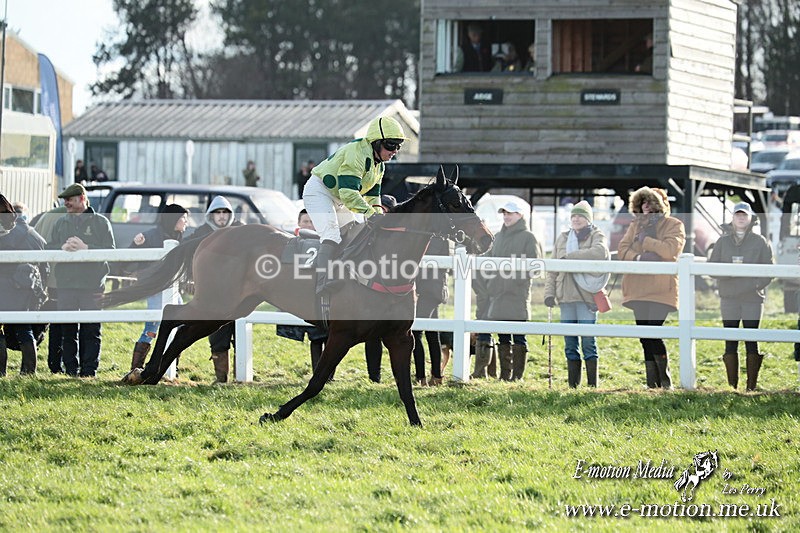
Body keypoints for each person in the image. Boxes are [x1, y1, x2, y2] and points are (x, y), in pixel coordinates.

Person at [302, 115, 406, 297]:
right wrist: (370, 214)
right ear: (376, 142)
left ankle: (344, 275)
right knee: (332, 234)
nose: (394, 150)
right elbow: (349, 193)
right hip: (319, 191)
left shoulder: (379, 166)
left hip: (338, 196)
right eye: (391, 145)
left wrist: (377, 215)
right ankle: (321, 283)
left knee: (354, 233)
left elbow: (373, 197)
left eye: (398, 146)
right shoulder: (356, 153)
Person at [617, 186, 686, 389]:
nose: (646, 206)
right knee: (644, 336)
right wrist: (638, 257)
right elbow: (622, 249)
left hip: (661, 288)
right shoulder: (634, 225)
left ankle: (665, 381)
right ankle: (651, 384)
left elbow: (670, 250)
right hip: (637, 287)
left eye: (650, 202)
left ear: (660, 204)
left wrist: (645, 242)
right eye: (642, 202)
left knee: (654, 331)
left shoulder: (674, 225)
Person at [47, 183, 116, 377]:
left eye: (70, 199)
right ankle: (70, 369)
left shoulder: (101, 222)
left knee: (91, 328)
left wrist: (87, 248)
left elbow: (111, 251)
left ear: (83, 199)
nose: (66, 202)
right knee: (67, 328)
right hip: (66, 284)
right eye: (65, 199)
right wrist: (61, 248)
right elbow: (49, 247)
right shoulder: (60, 222)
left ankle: (89, 370)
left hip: (92, 284)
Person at [473, 201, 542, 381]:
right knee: (503, 336)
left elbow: (535, 267)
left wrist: (514, 280)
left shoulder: (529, 237)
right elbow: (486, 259)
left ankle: (517, 377)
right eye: (504, 213)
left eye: (510, 213)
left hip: (517, 294)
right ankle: (505, 375)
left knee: (518, 336)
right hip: (497, 295)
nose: (506, 216)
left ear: (520, 215)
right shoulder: (498, 237)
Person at [544, 201, 610, 388]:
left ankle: (591, 385)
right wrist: (549, 293)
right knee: (569, 342)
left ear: (588, 218)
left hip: (586, 297)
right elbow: (553, 268)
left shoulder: (597, 235)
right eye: (573, 216)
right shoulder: (563, 238)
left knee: (588, 341)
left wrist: (571, 258)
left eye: (580, 215)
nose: (576, 219)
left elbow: (600, 252)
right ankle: (573, 386)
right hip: (565, 296)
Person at [709, 202, 773, 391]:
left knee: (751, 339)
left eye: (744, 215)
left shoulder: (760, 241)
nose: (741, 217)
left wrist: (754, 285)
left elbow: (769, 270)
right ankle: (732, 387)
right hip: (729, 297)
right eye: (738, 214)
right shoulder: (722, 242)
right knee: (730, 339)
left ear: (751, 218)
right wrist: (729, 276)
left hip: (752, 298)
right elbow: (711, 268)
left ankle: (751, 387)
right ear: (732, 217)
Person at [185, 195, 244, 382]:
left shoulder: (240, 231)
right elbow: (189, 258)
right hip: (212, 293)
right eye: (217, 213)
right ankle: (221, 378)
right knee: (217, 334)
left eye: (224, 213)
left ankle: (240, 375)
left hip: (238, 291)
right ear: (211, 215)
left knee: (240, 331)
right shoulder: (200, 234)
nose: (221, 217)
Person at [127, 204, 189, 370]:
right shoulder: (150, 236)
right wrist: (135, 244)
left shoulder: (178, 235)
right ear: (173, 219)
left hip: (172, 288)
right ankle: (137, 368)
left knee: (182, 324)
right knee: (152, 326)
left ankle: (170, 365)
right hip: (156, 289)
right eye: (183, 218)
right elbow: (128, 259)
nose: (186, 222)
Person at [277, 209, 331, 380]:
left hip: (322, 296)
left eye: (312, 221)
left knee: (327, 337)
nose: (309, 225)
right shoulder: (291, 243)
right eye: (305, 222)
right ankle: (318, 374)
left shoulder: (327, 244)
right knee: (315, 338)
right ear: (299, 223)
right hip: (302, 296)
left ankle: (327, 375)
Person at [0, 194, 48, 376]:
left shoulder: (5, 233)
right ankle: (28, 372)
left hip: (4, 287)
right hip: (27, 288)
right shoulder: (35, 235)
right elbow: (45, 265)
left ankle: (1, 373)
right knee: (24, 328)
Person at [34, 205, 68, 373]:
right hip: (66, 276)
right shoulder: (69, 218)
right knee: (64, 323)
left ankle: (52, 361)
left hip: (47, 275)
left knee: (52, 321)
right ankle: (59, 363)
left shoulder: (46, 216)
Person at [412, 236, 449, 386]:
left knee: (416, 332)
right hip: (433, 290)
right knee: (432, 333)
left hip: (429, 290)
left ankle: (421, 377)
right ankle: (436, 376)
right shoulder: (440, 238)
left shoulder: (435, 238)